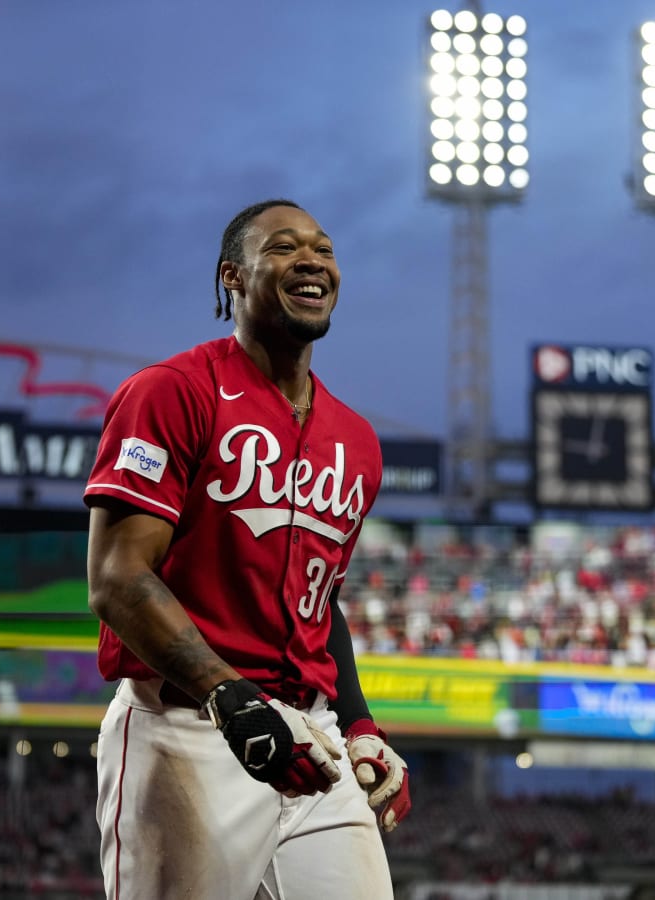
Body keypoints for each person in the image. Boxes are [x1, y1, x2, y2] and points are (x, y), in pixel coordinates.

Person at [83, 198, 412, 900]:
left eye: (323, 248)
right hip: (186, 725)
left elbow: (321, 603)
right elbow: (117, 577)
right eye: (285, 247)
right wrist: (226, 695)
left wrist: (357, 725)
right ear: (231, 276)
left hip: (310, 737)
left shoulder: (357, 440)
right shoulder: (169, 393)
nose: (312, 260)